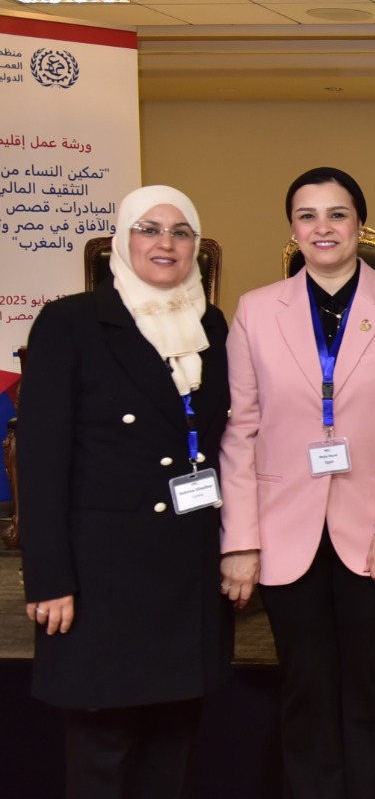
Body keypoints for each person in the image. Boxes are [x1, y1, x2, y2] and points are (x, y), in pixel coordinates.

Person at [219, 166, 375, 798]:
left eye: (337, 214)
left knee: (374, 682)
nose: (323, 228)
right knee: (305, 685)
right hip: (282, 528)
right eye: (308, 216)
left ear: (360, 225)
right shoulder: (256, 311)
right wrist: (240, 540)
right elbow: (239, 429)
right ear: (293, 229)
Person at [20, 185, 232, 798]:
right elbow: (40, 460)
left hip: (188, 568)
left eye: (181, 231)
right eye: (149, 229)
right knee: (103, 749)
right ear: (121, 240)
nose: (166, 243)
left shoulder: (210, 324)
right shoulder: (71, 322)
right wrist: (49, 578)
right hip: (102, 576)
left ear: (196, 246)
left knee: (173, 743)